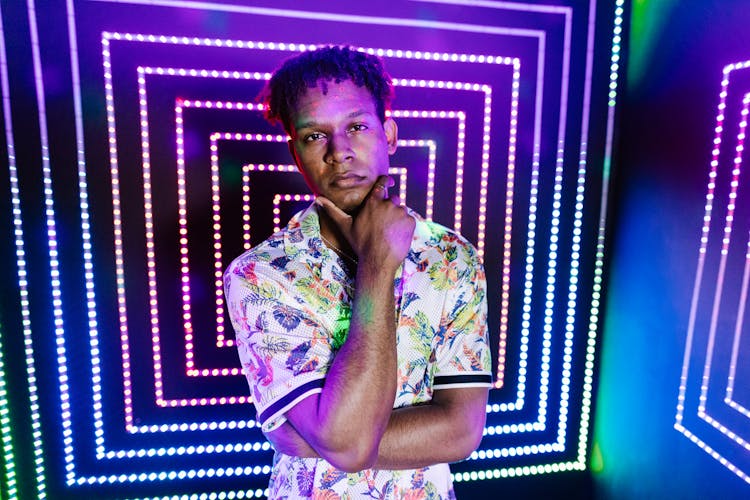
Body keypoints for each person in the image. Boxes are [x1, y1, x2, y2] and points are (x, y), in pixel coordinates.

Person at [224, 45, 492, 499]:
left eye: (356, 126)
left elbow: (461, 432)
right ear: (295, 152)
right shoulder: (260, 274)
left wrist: (322, 440)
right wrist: (377, 267)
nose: (339, 152)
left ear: (388, 134)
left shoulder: (450, 257)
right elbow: (347, 446)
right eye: (315, 136)